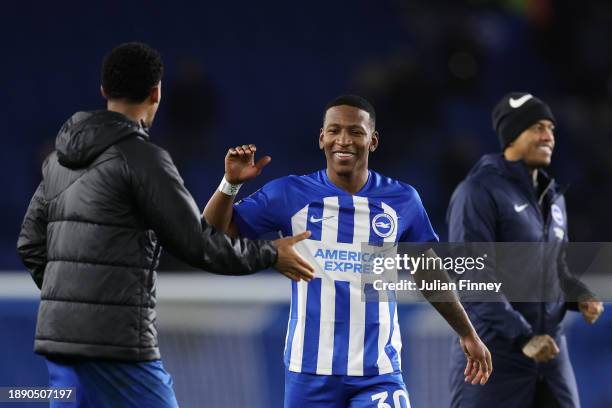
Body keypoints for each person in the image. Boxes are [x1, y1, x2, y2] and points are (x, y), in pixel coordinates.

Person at [16, 42, 314, 408]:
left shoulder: (58, 161)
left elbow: (29, 244)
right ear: (157, 93)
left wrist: (72, 299)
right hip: (120, 343)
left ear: (104, 92)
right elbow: (197, 243)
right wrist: (269, 254)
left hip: (59, 339)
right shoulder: (143, 159)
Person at [203, 94, 492, 407]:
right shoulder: (287, 194)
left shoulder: (402, 200)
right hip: (309, 373)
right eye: (334, 130)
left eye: (355, 131)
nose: (344, 140)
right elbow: (213, 233)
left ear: (373, 141)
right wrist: (229, 185)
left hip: (378, 371)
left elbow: (429, 274)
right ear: (322, 138)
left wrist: (467, 333)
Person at [447, 92, 604, 407]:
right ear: (511, 135)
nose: (548, 136)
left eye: (551, 128)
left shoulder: (554, 198)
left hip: (550, 355)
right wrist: (522, 336)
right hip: (494, 357)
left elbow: (555, 269)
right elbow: (473, 278)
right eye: (537, 127)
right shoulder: (478, 191)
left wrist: (579, 295)